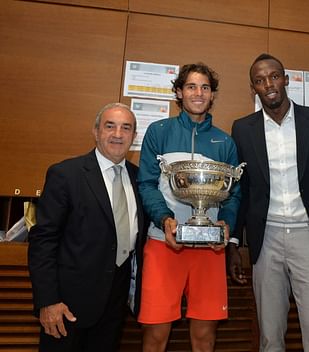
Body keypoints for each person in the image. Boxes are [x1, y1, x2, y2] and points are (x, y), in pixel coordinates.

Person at [228, 53, 309, 351]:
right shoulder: (242, 129)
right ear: (253, 88)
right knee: (269, 335)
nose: (268, 84)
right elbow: (243, 190)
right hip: (265, 239)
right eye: (259, 80)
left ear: (286, 79)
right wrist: (235, 242)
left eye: (274, 76)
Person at [137, 63, 240, 352]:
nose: (198, 93)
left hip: (210, 249)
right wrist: (164, 220)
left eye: (205, 87)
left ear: (212, 95)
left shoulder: (225, 142)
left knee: (205, 338)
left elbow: (233, 194)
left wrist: (226, 224)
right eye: (192, 86)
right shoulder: (159, 132)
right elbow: (145, 183)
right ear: (180, 93)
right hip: (164, 243)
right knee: (155, 336)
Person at [28, 102, 146, 352]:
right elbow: (43, 241)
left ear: (134, 137)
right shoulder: (66, 174)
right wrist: (48, 301)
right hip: (67, 308)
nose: (118, 134)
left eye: (126, 128)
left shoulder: (140, 179)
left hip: (115, 306)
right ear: (96, 131)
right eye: (110, 126)